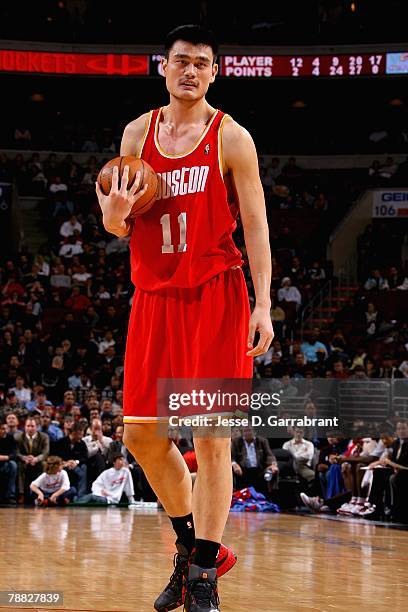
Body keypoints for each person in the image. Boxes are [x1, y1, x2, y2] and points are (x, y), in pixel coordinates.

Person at [95, 24, 273, 612]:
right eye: (181, 61)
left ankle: (202, 577)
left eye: (201, 62)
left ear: (214, 71)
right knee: (142, 435)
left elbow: (256, 228)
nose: (190, 71)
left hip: (216, 298)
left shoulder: (233, 137)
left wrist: (264, 303)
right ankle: (192, 544)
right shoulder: (137, 133)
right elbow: (119, 226)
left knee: (211, 441)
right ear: (163, 68)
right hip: (154, 299)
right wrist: (114, 217)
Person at [0, 420, 18, 503]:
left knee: (13, 465)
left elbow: (14, 453)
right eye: (1, 429)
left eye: (4, 429)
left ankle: (10, 495)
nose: (2, 431)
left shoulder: (10, 438)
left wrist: (7, 457)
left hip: (6, 461)